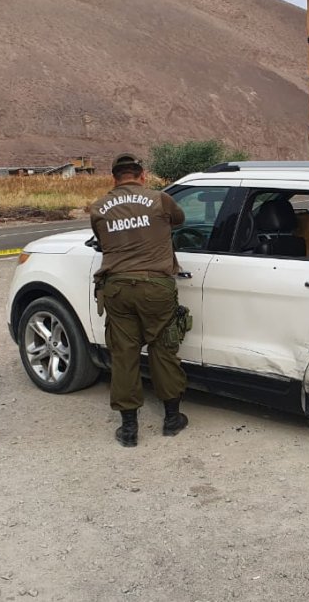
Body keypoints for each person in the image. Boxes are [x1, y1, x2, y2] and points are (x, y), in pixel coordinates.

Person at [89, 153, 188, 447]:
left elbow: (101, 237)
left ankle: (129, 429)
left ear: (114, 178)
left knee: (124, 354)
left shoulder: (98, 208)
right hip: (156, 287)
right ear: (142, 175)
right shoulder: (160, 199)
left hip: (117, 288)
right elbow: (179, 221)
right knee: (163, 348)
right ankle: (172, 419)